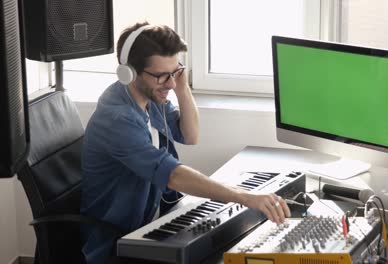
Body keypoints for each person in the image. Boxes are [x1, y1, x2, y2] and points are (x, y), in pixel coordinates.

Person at [80, 22, 291, 264]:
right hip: (117, 242)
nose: (169, 83)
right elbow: (172, 175)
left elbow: (190, 135)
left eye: (175, 71)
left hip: (155, 221)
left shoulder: (151, 97)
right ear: (128, 72)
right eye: (161, 75)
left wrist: (180, 85)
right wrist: (244, 197)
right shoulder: (116, 118)